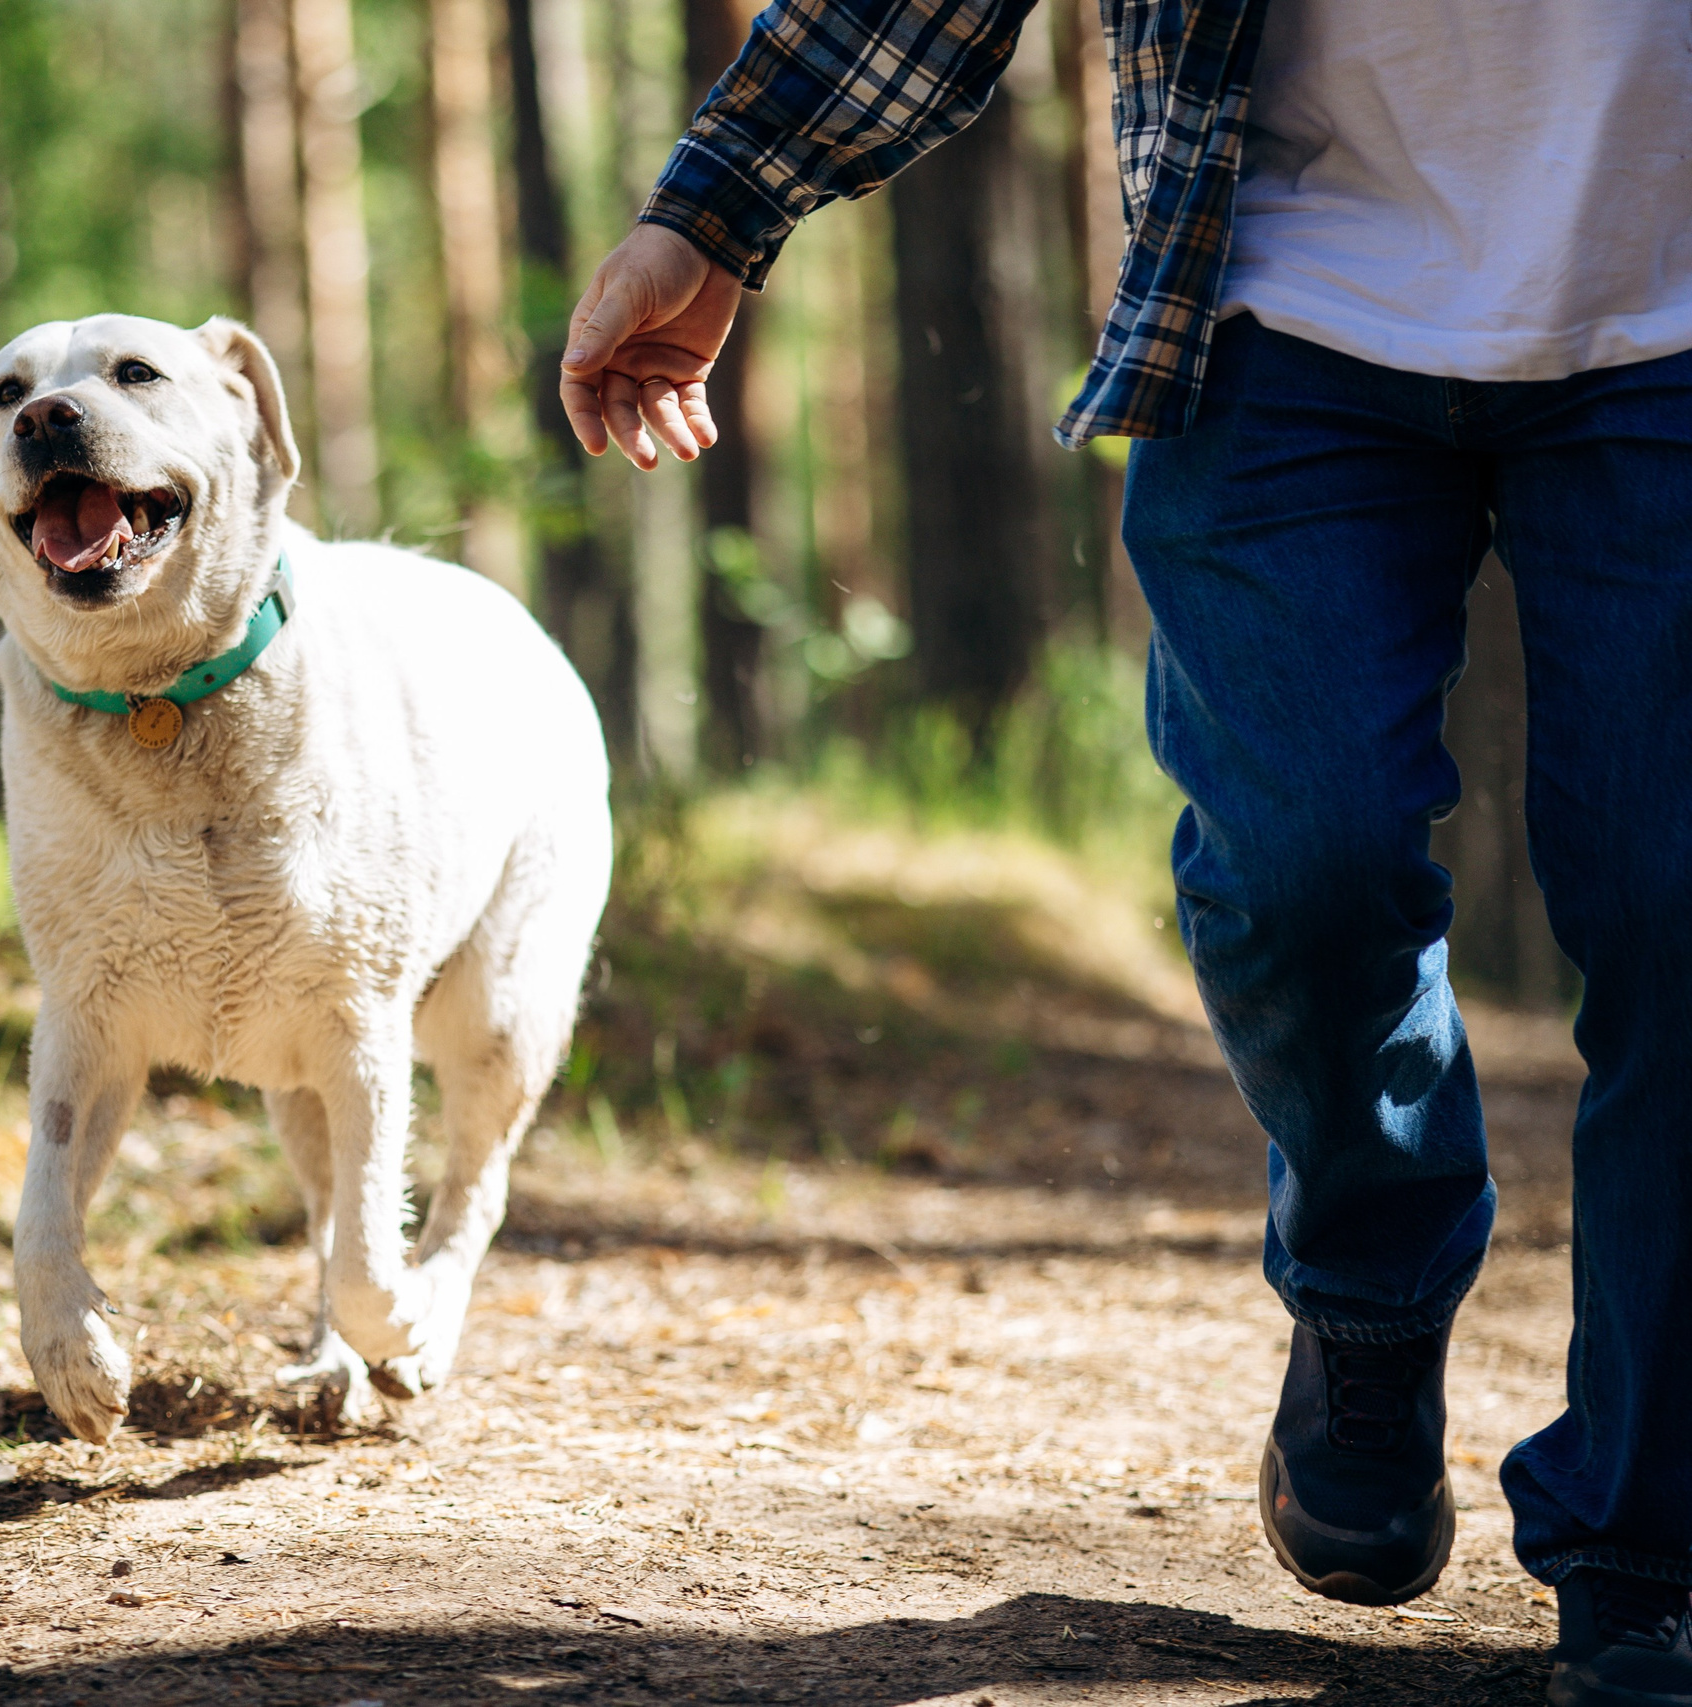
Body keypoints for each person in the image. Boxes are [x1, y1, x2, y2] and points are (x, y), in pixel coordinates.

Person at [558, 4, 1692, 1703]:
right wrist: (716, 209)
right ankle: (1371, 1307)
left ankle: (1650, 1550)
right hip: (1289, 310)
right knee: (1301, 870)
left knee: (1685, 927)